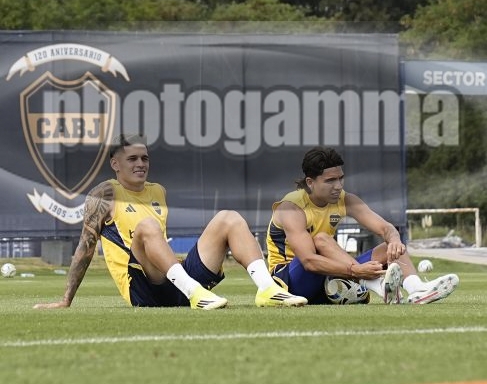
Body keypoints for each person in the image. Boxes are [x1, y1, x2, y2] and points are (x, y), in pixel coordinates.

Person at [34, 134, 307, 311]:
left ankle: (267, 289)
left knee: (229, 217)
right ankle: (195, 293)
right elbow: (85, 247)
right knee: (147, 226)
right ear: (115, 164)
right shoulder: (104, 194)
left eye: (145, 158)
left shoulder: (158, 191)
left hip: (175, 282)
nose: (141, 163)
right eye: (132, 159)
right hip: (142, 288)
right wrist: (66, 300)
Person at [266, 146, 459, 305]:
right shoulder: (291, 208)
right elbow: (309, 261)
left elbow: (386, 228)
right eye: (330, 180)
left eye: (340, 178)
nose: (338, 186)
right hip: (289, 285)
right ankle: (374, 283)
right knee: (321, 239)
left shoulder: (345, 200)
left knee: (391, 246)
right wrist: (355, 271)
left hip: (325, 276)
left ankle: (416, 289)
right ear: (310, 182)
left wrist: (394, 240)